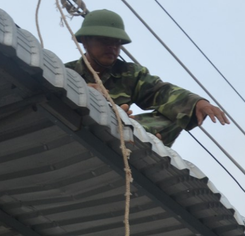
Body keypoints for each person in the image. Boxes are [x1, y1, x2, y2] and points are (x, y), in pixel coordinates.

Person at [65, 9, 230, 146]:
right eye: (105, 41)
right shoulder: (67, 73)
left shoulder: (129, 73)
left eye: (117, 43)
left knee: (178, 112)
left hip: (123, 133)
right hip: (77, 132)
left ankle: (144, 137)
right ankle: (136, 134)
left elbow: (161, 92)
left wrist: (197, 103)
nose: (112, 47)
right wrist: (85, 92)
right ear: (85, 41)